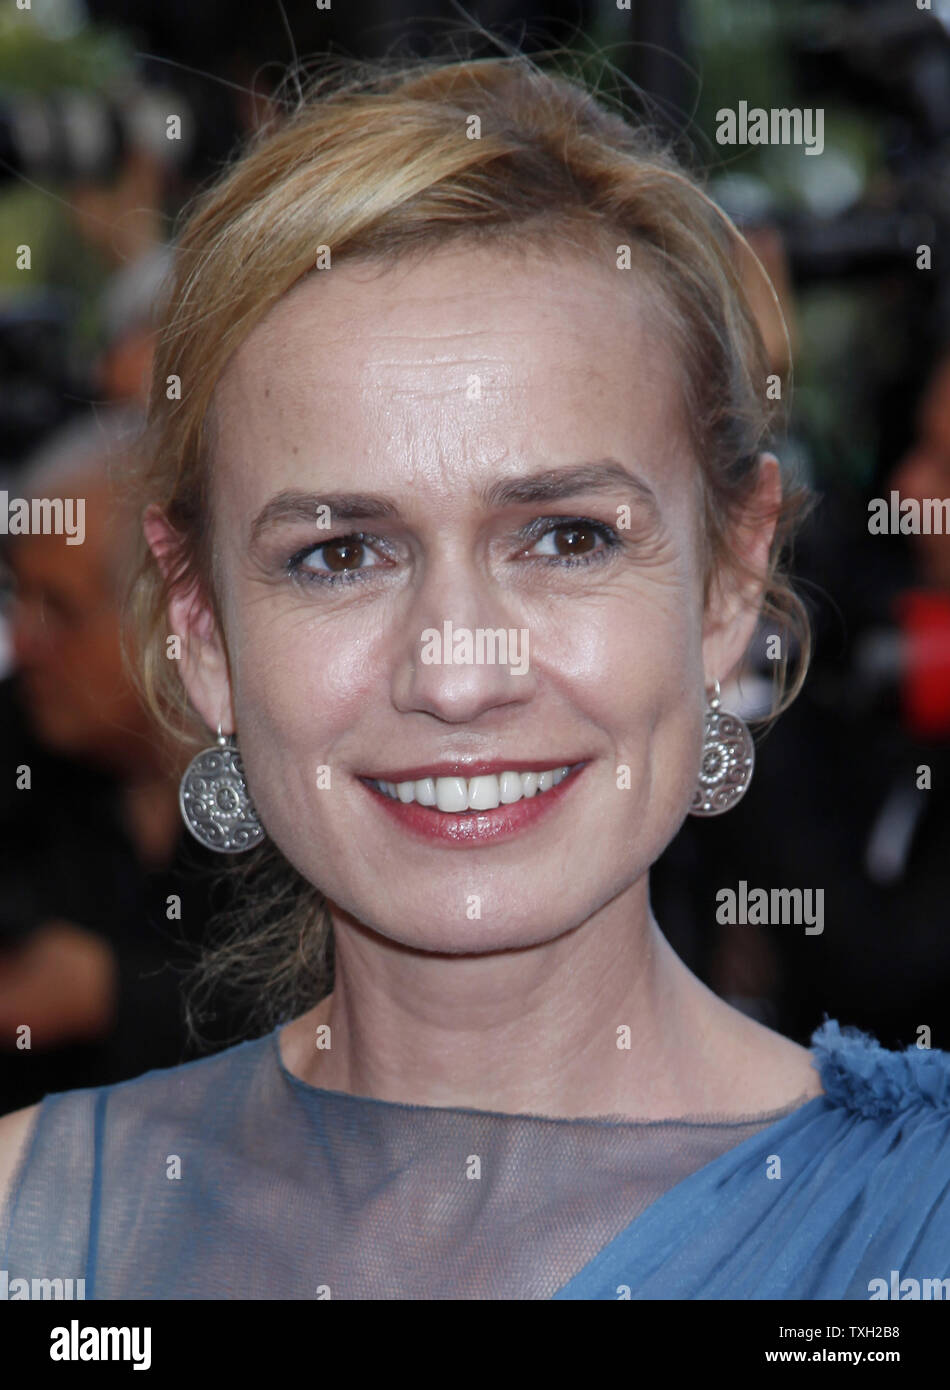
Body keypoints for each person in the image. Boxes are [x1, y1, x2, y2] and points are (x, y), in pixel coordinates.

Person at [1, 51, 948, 1301]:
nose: (455, 672)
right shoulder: (33, 1227)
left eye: (566, 538)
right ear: (203, 627)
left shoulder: (910, 1230)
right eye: (339, 553)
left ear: (728, 585)